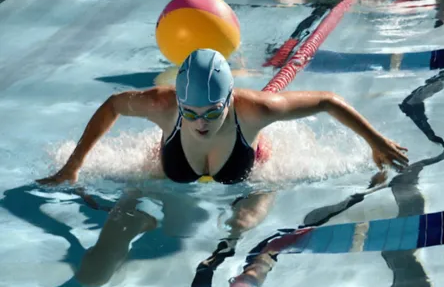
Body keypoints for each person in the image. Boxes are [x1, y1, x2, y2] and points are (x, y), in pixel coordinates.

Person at [38, 48, 408, 187]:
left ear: (230, 100)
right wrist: (73, 166)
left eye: (214, 112)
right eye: (192, 113)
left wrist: (376, 142)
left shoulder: (256, 110)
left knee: (245, 222)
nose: (201, 122)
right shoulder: (164, 105)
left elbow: (328, 100)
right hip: (172, 167)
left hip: (251, 169)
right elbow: (113, 105)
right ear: (179, 103)